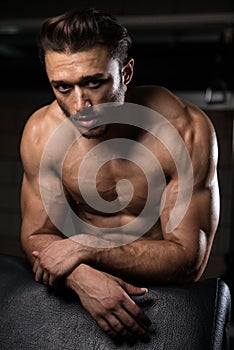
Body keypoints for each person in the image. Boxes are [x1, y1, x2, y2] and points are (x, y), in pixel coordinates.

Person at [20, 7, 219, 342]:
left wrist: (89, 248)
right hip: (78, 292)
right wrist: (81, 276)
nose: (81, 104)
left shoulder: (184, 130)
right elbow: (37, 236)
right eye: (62, 87)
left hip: (157, 300)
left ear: (125, 73)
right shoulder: (42, 134)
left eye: (94, 82)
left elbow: (189, 259)